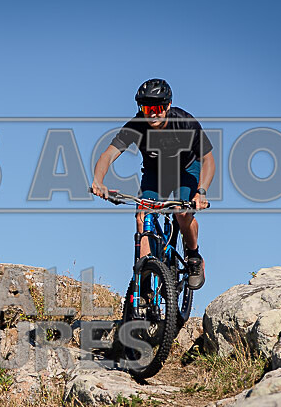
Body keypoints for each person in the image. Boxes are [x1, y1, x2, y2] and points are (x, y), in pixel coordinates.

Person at [91, 79, 215, 289]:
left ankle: (194, 258)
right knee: (143, 215)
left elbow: (209, 160)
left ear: (168, 105)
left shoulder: (185, 122)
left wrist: (201, 192)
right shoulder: (136, 126)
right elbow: (108, 154)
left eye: (158, 107)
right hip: (155, 173)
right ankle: (146, 275)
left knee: (182, 213)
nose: (153, 113)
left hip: (187, 169)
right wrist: (98, 181)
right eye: (147, 108)